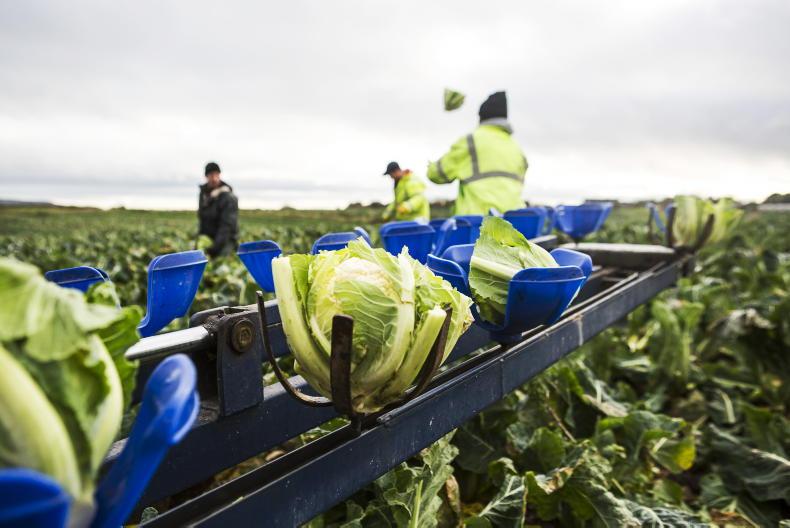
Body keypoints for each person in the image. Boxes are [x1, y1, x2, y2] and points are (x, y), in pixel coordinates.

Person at [427, 91, 528, 215]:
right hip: (514, 223)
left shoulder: (470, 141)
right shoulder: (516, 147)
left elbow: (436, 174)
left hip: (478, 225)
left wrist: (430, 166)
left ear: (481, 117)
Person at [198, 162, 239, 258]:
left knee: (220, 263)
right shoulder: (204, 195)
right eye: (211, 175)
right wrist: (200, 241)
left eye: (216, 174)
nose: (214, 178)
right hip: (208, 240)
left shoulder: (228, 197)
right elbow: (202, 220)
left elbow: (227, 226)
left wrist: (214, 249)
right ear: (206, 176)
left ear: (219, 175)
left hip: (225, 241)